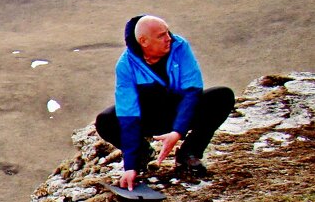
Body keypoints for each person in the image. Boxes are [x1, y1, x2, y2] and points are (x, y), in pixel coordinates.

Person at [95, 15, 234, 191]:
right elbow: (128, 114)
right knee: (106, 120)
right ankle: (142, 154)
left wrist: (177, 131)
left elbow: (192, 91)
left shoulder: (180, 46)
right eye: (161, 35)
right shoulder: (126, 65)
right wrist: (130, 166)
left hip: (180, 110)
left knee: (222, 96)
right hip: (149, 116)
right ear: (143, 41)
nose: (169, 38)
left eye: (167, 32)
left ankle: (189, 154)